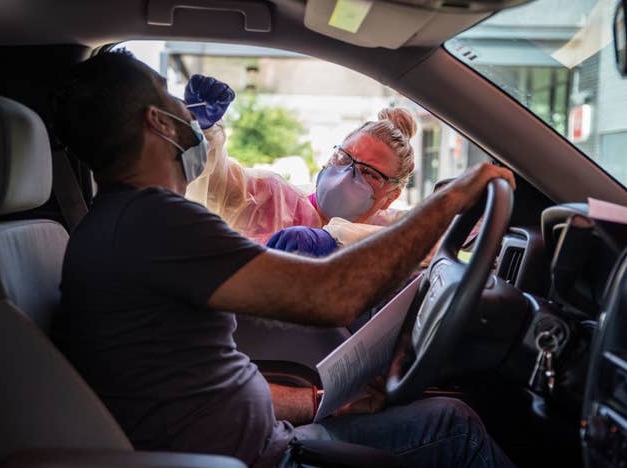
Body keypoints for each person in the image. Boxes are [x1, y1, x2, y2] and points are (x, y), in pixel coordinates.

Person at [51, 50, 516, 468]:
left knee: (444, 417)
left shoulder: (126, 220)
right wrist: (448, 202)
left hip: (262, 440)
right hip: (257, 458)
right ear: (159, 122)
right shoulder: (154, 221)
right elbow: (333, 296)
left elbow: (203, 384)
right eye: (172, 101)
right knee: (453, 429)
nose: (187, 112)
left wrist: (315, 403)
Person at [183, 74, 412, 255]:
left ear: (392, 195)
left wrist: (338, 240)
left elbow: (433, 238)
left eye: (368, 173)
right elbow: (212, 186)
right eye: (343, 158)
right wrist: (204, 131)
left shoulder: (394, 230)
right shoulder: (271, 197)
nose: (346, 174)